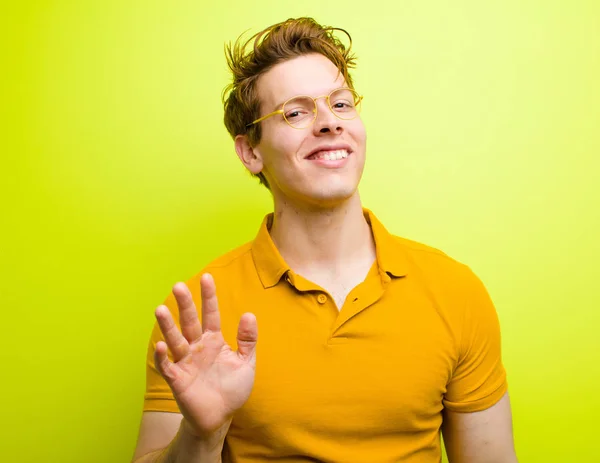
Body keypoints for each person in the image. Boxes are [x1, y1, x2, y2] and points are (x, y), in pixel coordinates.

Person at [131, 17, 518, 463]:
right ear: (250, 152)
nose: (329, 123)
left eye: (341, 104)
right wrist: (202, 435)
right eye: (295, 112)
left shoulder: (455, 292)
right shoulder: (199, 317)